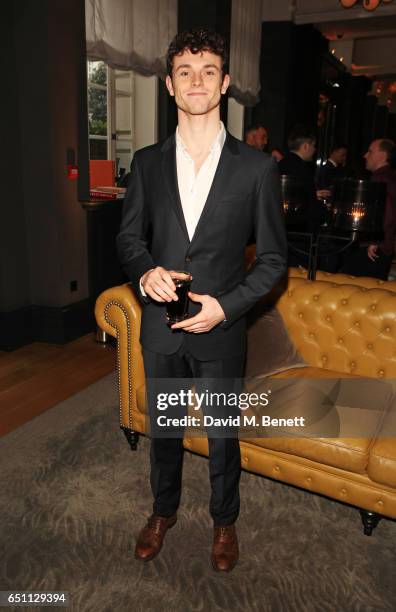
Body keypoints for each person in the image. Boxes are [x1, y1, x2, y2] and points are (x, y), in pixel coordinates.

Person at [116, 27, 287, 573]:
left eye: (208, 70)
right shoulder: (145, 163)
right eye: (185, 72)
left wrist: (227, 306)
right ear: (169, 84)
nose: (196, 81)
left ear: (225, 83)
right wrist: (145, 275)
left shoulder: (257, 168)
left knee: (221, 435)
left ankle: (224, 520)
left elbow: (273, 262)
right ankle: (162, 511)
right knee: (163, 430)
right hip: (160, 329)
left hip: (222, 330)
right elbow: (128, 239)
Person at [342, 139, 396, 280]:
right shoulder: (386, 176)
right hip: (375, 246)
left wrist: (375, 241)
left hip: (372, 249)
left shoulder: (382, 178)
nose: (365, 155)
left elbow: (388, 214)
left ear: (383, 155)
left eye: (370, 151)